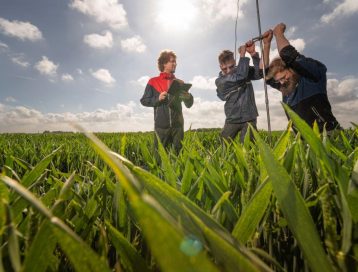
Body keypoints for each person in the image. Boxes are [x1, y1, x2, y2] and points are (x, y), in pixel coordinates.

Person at [266, 23, 341, 132]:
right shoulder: (286, 88)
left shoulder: (313, 76)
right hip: (303, 142)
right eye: (279, 80)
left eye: (283, 76)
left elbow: (288, 55)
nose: (282, 82)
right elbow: (263, 74)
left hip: (328, 135)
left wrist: (278, 34)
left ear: (291, 68)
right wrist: (266, 44)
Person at [215, 30, 273, 143]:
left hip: (250, 117)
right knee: (223, 147)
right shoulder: (220, 81)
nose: (229, 71)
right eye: (224, 69)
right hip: (232, 119)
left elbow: (260, 73)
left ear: (235, 62)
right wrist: (242, 55)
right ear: (220, 66)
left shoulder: (242, 70)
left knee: (247, 149)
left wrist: (253, 54)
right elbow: (240, 77)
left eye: (232, 67)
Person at [140, 50, 193, 154]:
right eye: (172, 61)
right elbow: (144, 100)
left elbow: (189, 105)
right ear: (164, 63)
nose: (175, 64)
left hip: (178, 127)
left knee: (178, 159)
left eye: (175, 62)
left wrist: (188, 97)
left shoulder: (180, 82)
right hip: (161, 128)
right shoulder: (153, 81)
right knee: (160, 158)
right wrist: (157, 99)